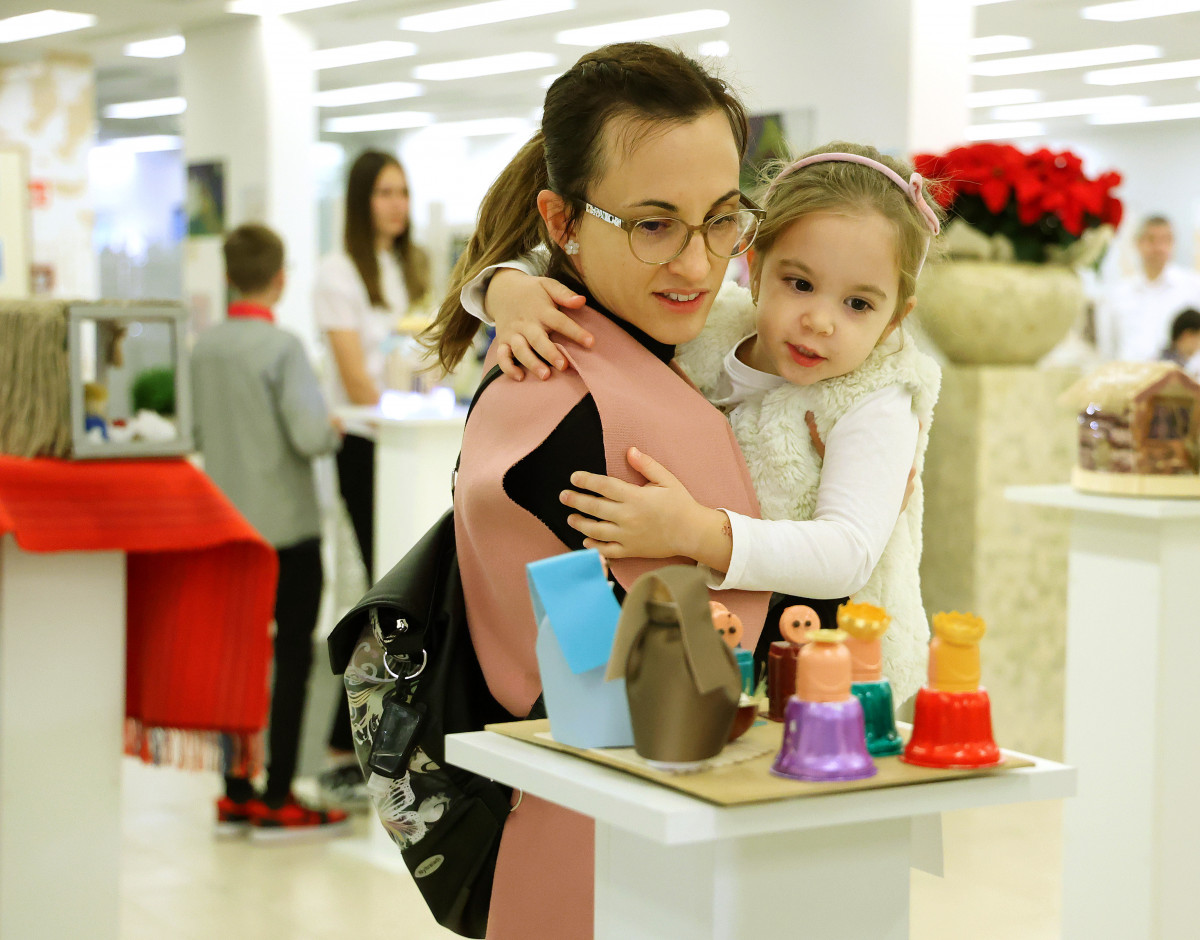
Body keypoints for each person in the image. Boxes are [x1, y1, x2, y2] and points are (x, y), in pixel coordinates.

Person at [421, 42, 772, 939]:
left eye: (724, 219)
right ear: (563, 220)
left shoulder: (629, 359)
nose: (700, 264)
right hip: (608, 849)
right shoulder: (577, 403)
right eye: (655, 224)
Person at [470, 143, 941, 703]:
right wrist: (508, 291)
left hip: (835, 675)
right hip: (711, 651)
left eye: (859, 305)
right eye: (800, 284)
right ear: (757, 266)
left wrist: (692, 531)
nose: (820, 321)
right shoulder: (709, 328)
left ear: (896, 318)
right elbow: (570, 266)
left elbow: (845, 557)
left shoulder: (874, 398)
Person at [192, 223, 348, 838]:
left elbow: (196, 433)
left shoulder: (204, 348)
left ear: (229, 277)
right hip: (287, 532)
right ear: (280, 278)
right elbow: (310, 435)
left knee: (237, 659)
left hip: (226, 530)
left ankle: (234, 789)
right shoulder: (282, 348)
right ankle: (279, 792)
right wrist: (333, 425)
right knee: (289, 659)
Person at [313, 149, 429, 805]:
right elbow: (359, 378)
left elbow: (429, 357)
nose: (397, 205)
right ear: (360, 202)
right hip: (364, 446)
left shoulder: (405, 267)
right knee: (380, 597)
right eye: (385, 193)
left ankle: (380, 740)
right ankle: (340, 745)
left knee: (402, 599)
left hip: (408, 443)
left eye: (403, 193)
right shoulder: (337, 273)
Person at [1097, 215, 1200, 363]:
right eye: (1152, 240)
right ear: (1138, 243)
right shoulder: (1118, 295)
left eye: (1165, 240)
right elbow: (1107, 350)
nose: (1159, 247)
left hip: (1183, 381)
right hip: (1132, 380)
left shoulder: (1194, 288)